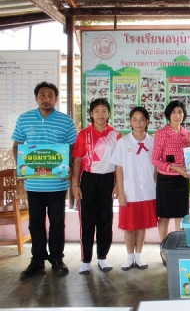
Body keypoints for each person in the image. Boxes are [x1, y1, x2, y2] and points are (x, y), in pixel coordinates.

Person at [12, 81, 77, 279]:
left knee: (58, 223)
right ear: (36, 98)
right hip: (34, 184)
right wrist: (20, 168)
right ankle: (37, 260)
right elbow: (17, 145)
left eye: (50, 95)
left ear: (56, 98)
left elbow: (73, 147)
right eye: (42, 95)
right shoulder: (24, 119)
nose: (46, 99)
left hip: (57, 183)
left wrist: (68, 165)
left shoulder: (65, 121)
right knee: (35, 224)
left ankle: (57, 258)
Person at [72, 98, 121, 275]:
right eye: (97, 111)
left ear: (109, 113)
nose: (101, 114)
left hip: (107, 180)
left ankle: (102, 257)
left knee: (105, 220)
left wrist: (117, 185)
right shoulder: (83, 134)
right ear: (91, 114)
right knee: (87, 220)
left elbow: (118, 163)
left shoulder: (116, 135)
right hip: (88, 180)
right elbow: (77, 160)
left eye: (104, 111)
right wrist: (75, 185)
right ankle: (86, 260)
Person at [110, 107, 158, 271]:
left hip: (148, 191)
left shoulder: (152, 142)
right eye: (135, 119)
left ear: (147, 121)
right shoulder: (123, 142)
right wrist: (121, 192)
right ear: (130, 122)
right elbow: (119, 168)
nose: (138, 123)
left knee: (142, 225)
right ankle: (129, 257)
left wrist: (155, 185)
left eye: (142, 119)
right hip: (130, 191)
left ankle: (139, 255)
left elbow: (156, 168)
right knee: (129, 227)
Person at [151, 100, 190, 266]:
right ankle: (164, 249)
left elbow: (189, 157)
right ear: (168, 115)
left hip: (182, 181)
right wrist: (174, 167)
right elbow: (155, 159)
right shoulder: (162, 133)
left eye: (180, 112)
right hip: (166, 180)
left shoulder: (186, 134)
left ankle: (178, 248)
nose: (177, 115)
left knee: (181, 216)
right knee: (164, 217)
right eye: (174, 112)